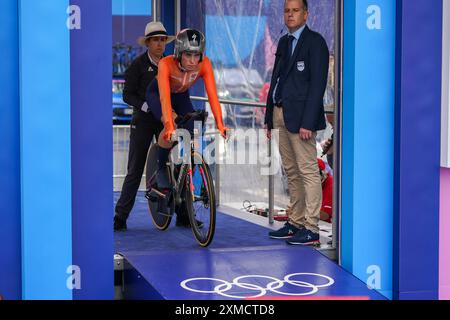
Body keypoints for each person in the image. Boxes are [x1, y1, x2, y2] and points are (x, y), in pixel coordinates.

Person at [145, 28, 228, 224]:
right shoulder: (166, 64)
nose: (192, 60)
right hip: (158, 94)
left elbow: (213, 95)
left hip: (181, 95)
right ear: (178, 53)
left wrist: (220, 123)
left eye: (196, 55)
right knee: (171, 127)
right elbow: (164, 98)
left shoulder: (204, 64)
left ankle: (186, 169)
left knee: (195, 127)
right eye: (188, 55)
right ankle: (161, 167)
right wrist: (169, 123)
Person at [265, 0, 329, 245]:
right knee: (291, 172)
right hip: (281, 115)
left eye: (295, 11)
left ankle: (312, 229)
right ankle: (296, 222)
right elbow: (276, 80)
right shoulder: (283, 42)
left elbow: (317, 85)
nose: (290, 15)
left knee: (308, 172)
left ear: (306, 14)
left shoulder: (316, 42)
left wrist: (309, 122)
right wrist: (270, 117)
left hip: (302, 120)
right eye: (287, 11)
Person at [113, 22, 175, 231]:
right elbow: (127, 94)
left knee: (174, 166)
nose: (160, 44)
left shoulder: (172, 64)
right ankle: (120, 217)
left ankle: (185, 215)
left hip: (165, 121)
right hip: (143, 121)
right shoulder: (137, 65)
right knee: (135, 169)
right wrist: (145, 105)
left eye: (162, 40)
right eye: (156, 40)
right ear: (148, 43)